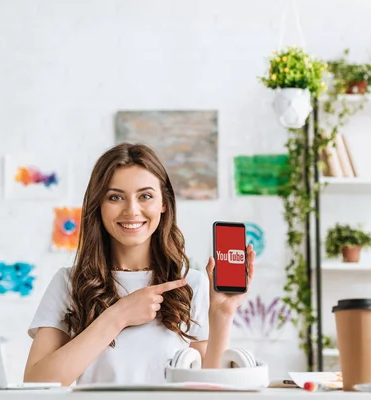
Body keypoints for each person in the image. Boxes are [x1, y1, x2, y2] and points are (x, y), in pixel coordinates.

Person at [23, 142, 255, 386]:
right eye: (115, 197)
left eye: (145, 196)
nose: (132, 210)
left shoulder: (191, 283)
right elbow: (36, 383)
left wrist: (222, 314)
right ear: (98, 205)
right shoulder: (69, 283)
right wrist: (118, 316)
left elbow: (210, 390)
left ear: (163, 203)